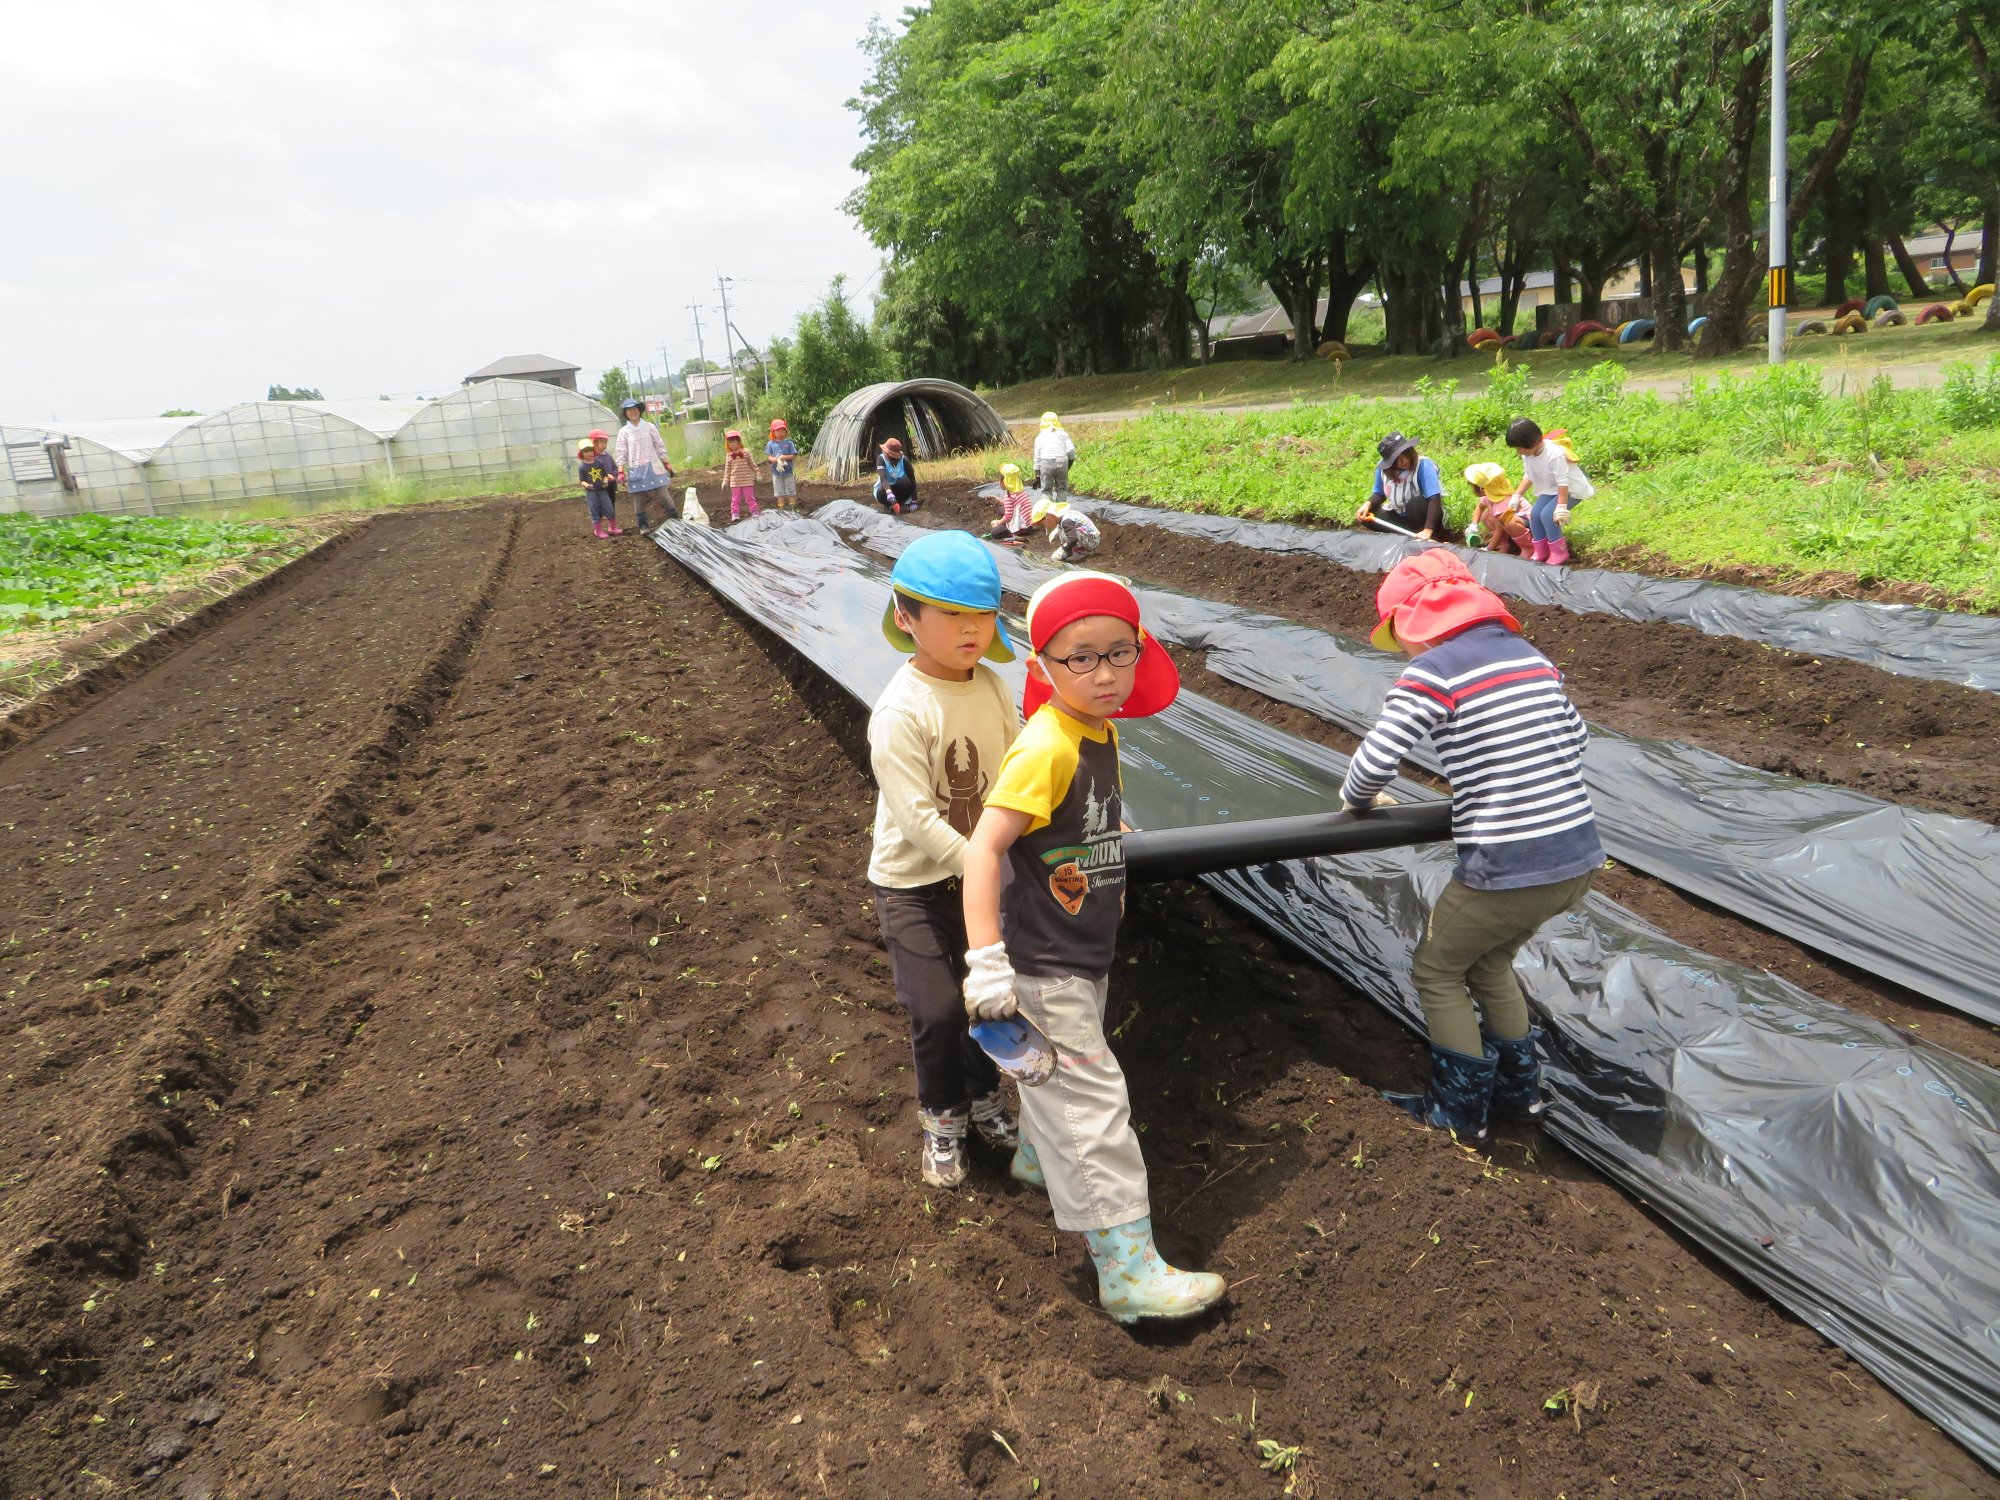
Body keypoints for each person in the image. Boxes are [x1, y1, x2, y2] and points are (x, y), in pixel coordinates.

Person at [960, 571, 1226, 1326]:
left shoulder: (1096, 730)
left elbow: (1071, 821)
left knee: (1066, 1085)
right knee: (1096, 1106)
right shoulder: (1046, 745)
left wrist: (1107, 835)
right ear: (1041, 665)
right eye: (1081, 658)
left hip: (1081, 948)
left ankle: (1038, 1159)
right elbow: (984, 850)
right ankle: (1128, 1273)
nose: (1104, 673)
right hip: (1045, 961)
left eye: (1120, 653)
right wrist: (986, 965)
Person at [1340, 549, 1600, 1140]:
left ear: (1411, 624)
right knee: (1490, 963)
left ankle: (1457, 1114)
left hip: (1511, 863)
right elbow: (1576, 739)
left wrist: (1356, 802)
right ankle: (1520, 1096)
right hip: (1577, 856)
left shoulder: (1433, 671)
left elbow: (1377, 759)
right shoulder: (1534, 660)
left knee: (1437, 970)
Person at [869, 530, 1034, 1190]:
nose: (971, 629)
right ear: (906, 618)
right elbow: (916, 819)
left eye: (982, 615)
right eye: (953, 615)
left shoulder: (992, 688)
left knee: (987, 1000)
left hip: (979, 873)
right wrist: (984, 868)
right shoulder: (900, 712)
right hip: (913, 883)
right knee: (937, 1009)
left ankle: (985, 1094)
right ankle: (942, 1118)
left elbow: (1021, 766)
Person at [1504, 419, 1594, 566]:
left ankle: (1559, 552)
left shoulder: (1554, 454)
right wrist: (1517, 495)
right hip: (1551, 489)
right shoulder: (1528, 454)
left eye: (1520, 447)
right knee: (1535, 514)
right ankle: (1541, 550)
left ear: (1533, 441)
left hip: (1570, 490)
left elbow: (1563, 482)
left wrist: (1561, 507)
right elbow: (1529, 475)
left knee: (1547, 515)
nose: (1519, 452)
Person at [1356, 432, 1447, 539]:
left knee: (1415, 504)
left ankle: (1431, 537)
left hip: (1424, 517)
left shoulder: (1423, 465)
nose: (1403, 461)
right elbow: (1379, 494)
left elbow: (1434, 499)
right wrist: (1368, 504)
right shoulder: (1383, 470)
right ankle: (1408, 535)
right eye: (1396, 460)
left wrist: (1428, 529)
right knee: (1368, 514)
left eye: (1405, 454)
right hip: (1400, 516)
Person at [612, 399, 675, 533]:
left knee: (664, 495)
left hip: (654, 466)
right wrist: (621, 471)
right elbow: (621, 451)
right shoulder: (624, 431)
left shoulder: (650, 427)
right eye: (629, 410)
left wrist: (666, 462)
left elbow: (659, 445)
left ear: (639, 410)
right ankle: (643, 525)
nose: (633, 412)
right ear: (626, 413)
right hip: (636, 468)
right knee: (639, 499)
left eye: (635, 409)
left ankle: (675, 519)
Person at [1463, 461, 1530, 555]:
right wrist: (1474, 525)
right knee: (1486, 516)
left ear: (1482, 490)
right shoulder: (1490, 496)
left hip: (1528, 526)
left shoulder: (1502, 504)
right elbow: (1480, 507)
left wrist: (1488, 549)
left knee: (1508, 522)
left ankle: (1527, 547)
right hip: (1508, 526)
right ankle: (1505, 544)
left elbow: (1499, 531)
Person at [1030, 496, 1100, 564]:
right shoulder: (1062, 520)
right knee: (1063, 532)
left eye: (1041, 523)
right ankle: (1072, 552)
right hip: (1088, 538)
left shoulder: (1066, 521)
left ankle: (1079, 553)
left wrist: (1060, 551)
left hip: (1092, 540)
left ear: (1049, 516)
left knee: (1067, 534)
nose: (1044, 526)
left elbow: (1073, 539)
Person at [578, 439, 619, 539]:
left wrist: (605, 481)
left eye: (590, 450)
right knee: (595, 510)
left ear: (594, 451)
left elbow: (605, 475)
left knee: (609, 508)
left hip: (602, 491)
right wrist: (587, 485)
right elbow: (582, 481)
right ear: (582, 453)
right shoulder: (582, 467)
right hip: (592, 493)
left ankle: (613, 528)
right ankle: (598, 531)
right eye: (586, 451)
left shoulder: (599, 463)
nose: (589, 453)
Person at [1032, 412, 1077, 501]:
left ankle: (1048, 512)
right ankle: (1060, 512)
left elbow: (1037, 458)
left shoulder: (1040, 437)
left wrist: (1037, 475)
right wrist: (1068, 465)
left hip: (1046, 462)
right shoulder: (1063, 434)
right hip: (1062, 461)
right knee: (1062, 489)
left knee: (1046, 490)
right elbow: (1071, 451)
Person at [721, 429, 761, 523]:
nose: (732, 444)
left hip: (747, 480)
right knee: (735, 499)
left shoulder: (746, 452)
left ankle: (754, 511)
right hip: (735, 482)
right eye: (730, 443)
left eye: (734, 442)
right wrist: (725, 481)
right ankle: (735, 513)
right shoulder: (729, 455)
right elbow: (727, 470)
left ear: (738, 442)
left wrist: (757, 473)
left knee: (750, 498)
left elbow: (752, 464)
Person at [989, 462, 1035, 543]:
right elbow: (1014, 505)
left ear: (1005, 481)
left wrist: (998, 523)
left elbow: (1008, 516)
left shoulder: (1009, 496)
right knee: (1001, 509)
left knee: (995, 532)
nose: (999, 483)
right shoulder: (1019, 490)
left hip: (1020, 529)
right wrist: (999, 501)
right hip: (1029, 525)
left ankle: (1013, 536)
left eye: (999, 481)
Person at [873, 437, 919, 514]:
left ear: (891, 455)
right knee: (881, 490)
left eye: (886, 452)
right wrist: (889, 493)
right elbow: (883, 478)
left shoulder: (905, 461)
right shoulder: (881, 459)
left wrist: (914, 500)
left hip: (899, 489)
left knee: (906, 482)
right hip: (886, 490)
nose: (883, 452)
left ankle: (901, 503)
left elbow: (912, 480)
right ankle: (889, 505)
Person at [766, 419, 799, 510]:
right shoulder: (771, 444)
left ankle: (792, 507)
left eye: (782, 430)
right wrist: (773, 459)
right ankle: (781, 508)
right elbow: (769, 456)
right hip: (776, 472)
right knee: (779, 491)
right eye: (778, 431)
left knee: (791, 490)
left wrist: (784, 457)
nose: (780, 433)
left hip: (788, 471)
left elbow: (793, 455)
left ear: (785, 431)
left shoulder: (789, 443)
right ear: (773, 432)